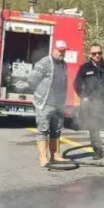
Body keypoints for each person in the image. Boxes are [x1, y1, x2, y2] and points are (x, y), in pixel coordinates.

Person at [73, 43, 104, 159]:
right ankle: (97, 150)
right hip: (91, 104)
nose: (97, 55)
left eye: (99, 53)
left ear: (101, 53)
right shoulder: (84, 68)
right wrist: (83, 96)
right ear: (90, 55)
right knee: (93, 128)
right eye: (94, 53)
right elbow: (77, 84)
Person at [27, 39, 70, 167]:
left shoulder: (64, 64)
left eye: (63, 51)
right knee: (43, 130)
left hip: (59, 104)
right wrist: (39, 92)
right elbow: (32, 79)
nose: (61, 53)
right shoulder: (45, 62)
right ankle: (43, 158)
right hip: (45, 103)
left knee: (56, 131)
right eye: (59, 51)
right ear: (53, 50)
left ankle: (56, 155)